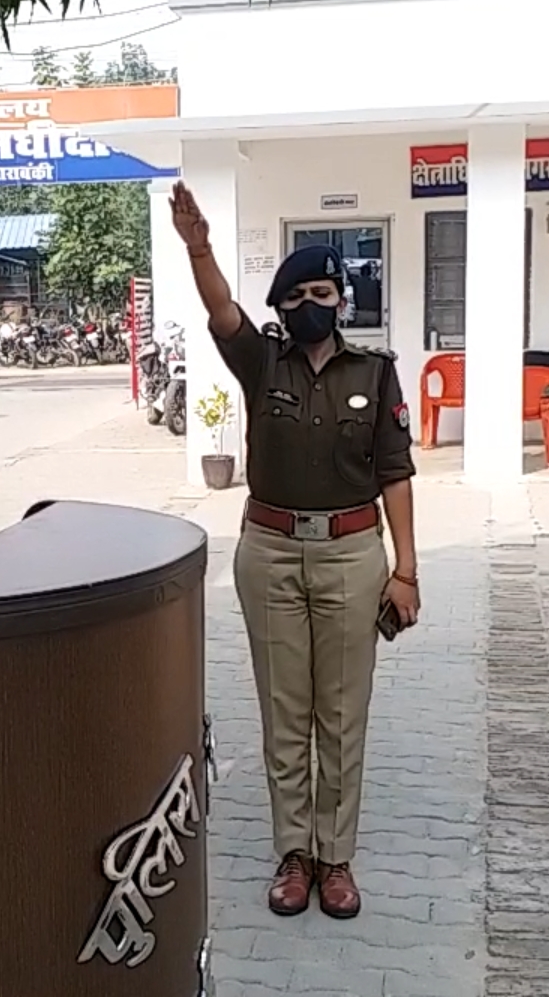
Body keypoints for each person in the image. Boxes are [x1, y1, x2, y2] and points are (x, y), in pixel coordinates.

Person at [168, 182, 421, 921]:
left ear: (343, 301)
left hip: (351, 554)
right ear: (281, 305)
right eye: (301, 292)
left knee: (342, 714)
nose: (315, 301)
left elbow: (396, 474)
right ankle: (293, 853)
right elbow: (220, 311)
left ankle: (336, 857)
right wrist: (199, 248)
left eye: (326, 290)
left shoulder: (374, 374)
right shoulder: (262, 363)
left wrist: (405, 569)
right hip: (270, 552)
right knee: (286, 711)